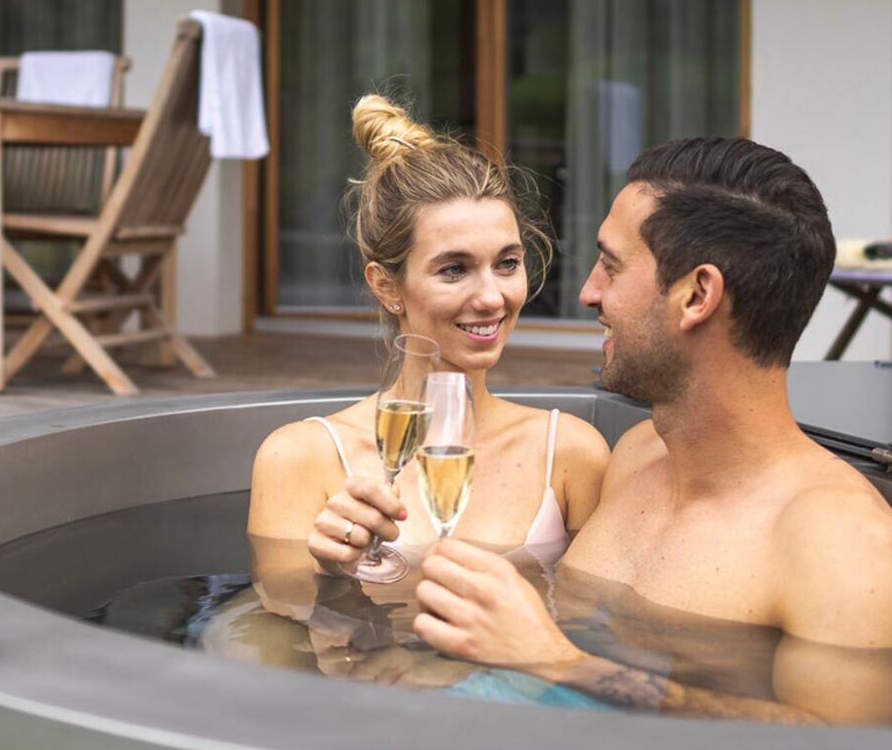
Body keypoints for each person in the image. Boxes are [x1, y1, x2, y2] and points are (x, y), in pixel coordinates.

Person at [407, 137, 892, 725]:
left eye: (612, 265)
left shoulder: (838, 542)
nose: (588, 294)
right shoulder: (633, 458)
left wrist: (559, 663)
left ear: (697, 295)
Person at [225, 95, 610, 681]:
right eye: (454, 269)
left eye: (507, 263)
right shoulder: (299, 459)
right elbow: (271, 644)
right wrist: (327, 579)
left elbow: (599, 633)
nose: (492, 297)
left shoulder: (572, 454)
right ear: (386, 286)